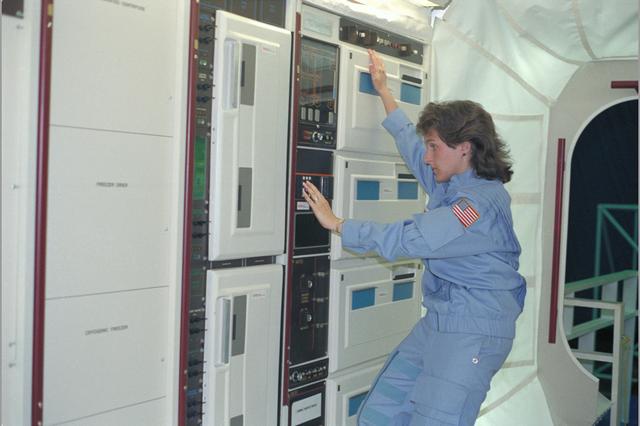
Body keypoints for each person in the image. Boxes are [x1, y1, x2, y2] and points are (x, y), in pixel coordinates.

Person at [301, 49, 526, 426]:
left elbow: (415, 240)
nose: (427, 157)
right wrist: (384, 91)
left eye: (434, 147)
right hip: (441, 320)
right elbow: (412, 145)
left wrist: (339, 224)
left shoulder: (475, 205)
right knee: (381, 412)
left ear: (465, 148)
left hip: (471, 329)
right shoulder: (453, 184)